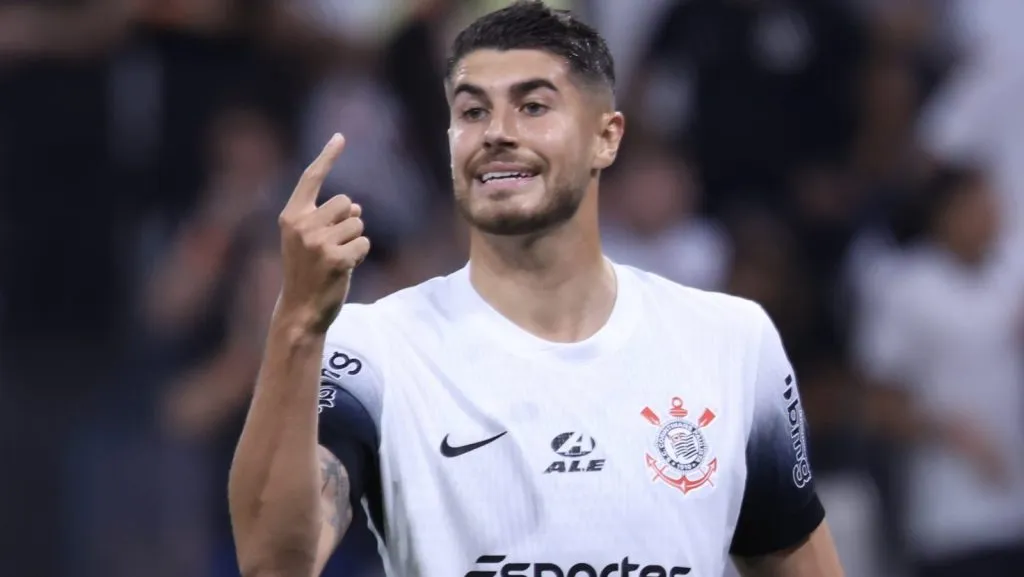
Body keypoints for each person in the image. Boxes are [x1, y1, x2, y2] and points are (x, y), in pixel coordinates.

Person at [227, 2, 845, 576]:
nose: (496, 131)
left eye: (533, 106)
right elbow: (275, 561)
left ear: (606, 136)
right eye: (471, 111)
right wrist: (299, 324)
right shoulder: (374, 351)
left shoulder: (730, 342)